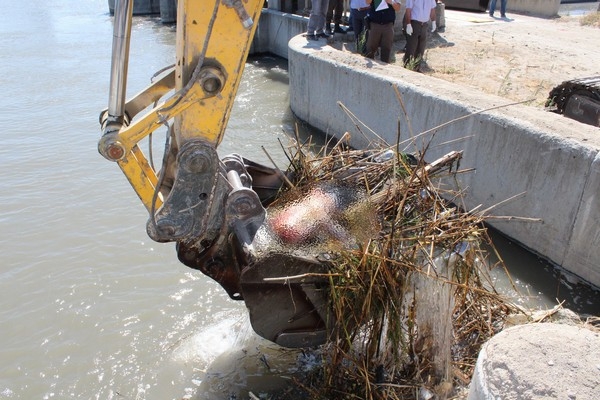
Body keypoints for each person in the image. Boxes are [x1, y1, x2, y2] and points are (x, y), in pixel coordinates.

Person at [403, 0, 436, 71]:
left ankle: (417, 68)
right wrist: (408, 24)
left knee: (421, 48)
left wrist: (434, 21)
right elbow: (408, 10)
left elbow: (432, 9)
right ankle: (407, 68)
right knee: (411, 47)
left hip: (424, 24)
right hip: (415, 24)